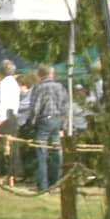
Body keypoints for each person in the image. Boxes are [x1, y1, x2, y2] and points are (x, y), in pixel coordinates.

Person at [28, 64, 70, 192]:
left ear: (40, 75)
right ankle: (55, 183)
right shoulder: (61, 87)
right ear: (52, 74)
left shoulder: (39, 88)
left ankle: (43, 185)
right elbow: (65, 107)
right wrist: (63, 126)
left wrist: (31, 123)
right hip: (57, 120)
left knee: (42, 153)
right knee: (57, 152)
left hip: (44, 121)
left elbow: (35, 107)